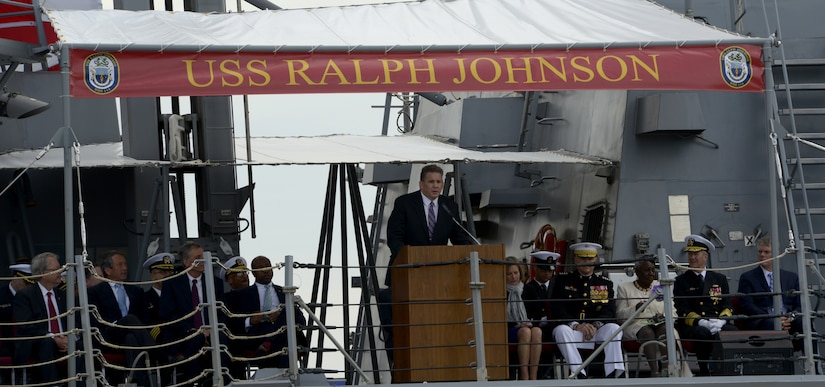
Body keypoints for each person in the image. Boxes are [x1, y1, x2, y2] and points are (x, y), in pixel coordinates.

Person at [551, 242, 625, 379]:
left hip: (595, 331)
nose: (587, 262)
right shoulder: (563, 280)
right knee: (561, 330)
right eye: (583, 258)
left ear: (595, 259)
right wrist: (576, 325)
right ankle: (578, 373)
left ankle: (614, 372)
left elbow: (609, 311)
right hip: (572, 331)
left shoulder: (604, 283)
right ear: (575, 259)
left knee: (614, 328)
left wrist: (596, 324)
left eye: (590, 259)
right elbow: (557, 308)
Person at [159, 241, 229, 384]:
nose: (203, 259)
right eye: (198, 257)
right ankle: (190, 381)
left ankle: (223, 381)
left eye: (203, 255)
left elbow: (222, 312)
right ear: (186, 262)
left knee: (222, 337)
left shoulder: (215, 283)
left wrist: (211, 328)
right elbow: (168, 315)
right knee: (195, 338)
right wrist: (192, 330)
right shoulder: (171, 283)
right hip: (183, 333)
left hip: (211, 331)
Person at [386, 164, 473, 278]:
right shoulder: (404, 203)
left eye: (438, 182)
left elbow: (458, 237)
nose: (435, 186)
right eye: (431, 182)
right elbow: (394, 237)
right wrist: (408, 257)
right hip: (407, 270)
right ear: (421, 184)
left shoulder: (449, 206)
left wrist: (471, 253)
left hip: (439, 272)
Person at [87, 250, 154, 386]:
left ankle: (136, 381)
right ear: (108, 270)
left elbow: (145, 319)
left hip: (131, 338)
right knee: (129, 318)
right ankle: (157, 352)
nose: (124, 268)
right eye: (120, 265)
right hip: (108, 336)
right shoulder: (95, 292)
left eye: (125, 264)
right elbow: (94, 321)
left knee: (131, 338)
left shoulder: (136, 291)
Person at [673, 234, 737, 376]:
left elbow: (727, 304)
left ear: (705, 256)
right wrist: (702, 322)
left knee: (731, 329)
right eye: (690, 254)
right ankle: (705, 371)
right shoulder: (681, 281)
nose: (692, 258)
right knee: (702, 333)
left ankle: (730, 368)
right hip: (694, 325)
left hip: (717, 320)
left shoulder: (719, 279)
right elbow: (682, 308)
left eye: (695, 253)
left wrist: (721, 321)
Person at [229, 255, 307, 370]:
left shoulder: (284, 292)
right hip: (257, 335)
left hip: (281, 334)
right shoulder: (242, 294)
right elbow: (233, 322)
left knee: (285, 311)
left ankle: (268, 344)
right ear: (254, 272)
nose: (265, 270)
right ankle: (286, 376)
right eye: (260, 268)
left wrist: (280, 313)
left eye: (268, 267)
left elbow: (301, 321)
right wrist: (250, 320)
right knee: (287, 340)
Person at [738, 237, 814, 345]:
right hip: (764, 320)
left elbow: (800, 304)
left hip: (789, 320)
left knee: (805, 323)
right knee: (770, 324)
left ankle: (813, 361)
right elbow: (747, 305)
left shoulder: (791, 277)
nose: (762, 255)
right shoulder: (748, 277)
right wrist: (774, 319)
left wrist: (790, 318)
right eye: (760, 251)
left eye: (766, 252)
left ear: (777, 254)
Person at [12, 252, 68, 385]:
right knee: (47, 343)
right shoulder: (25, 296)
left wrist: (69, 337)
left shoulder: (63, 295)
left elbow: (74, 320)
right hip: (35, 343)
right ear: (42, 273)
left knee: (81, 344)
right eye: (55, 270)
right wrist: (53, 337)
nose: (60, 272)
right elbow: (26, 326)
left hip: (64, 340)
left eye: (61, 268)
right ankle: (53, 384)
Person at [616, 258, 675, 377]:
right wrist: (636, 308)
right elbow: (620, 315)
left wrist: (663, 316)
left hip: (659, 323)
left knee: (665, 329)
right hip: (636, 325)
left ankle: (666, 370)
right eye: (647, 270)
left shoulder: (661, 286)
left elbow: (673, 311)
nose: (651, 273)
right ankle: (654, 372)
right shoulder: (624, 288)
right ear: (637, 272)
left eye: (653, 270)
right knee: (647, 332)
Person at [505, 256, 542, 380]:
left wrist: (530, 323)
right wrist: (516, 325)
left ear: (520, 273)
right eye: (509, 274)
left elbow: (537, 314)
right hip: (509, 330)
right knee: (525, 332)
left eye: (515, 273)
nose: (513, 277)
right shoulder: (501, 292)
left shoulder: (529, 290)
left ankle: (533, 376)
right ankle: (524, 374)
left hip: (527, 327)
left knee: (537, 331)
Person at [0, 263, 34, 358]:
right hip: (6, 344)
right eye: (26, 282)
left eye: (31, 284)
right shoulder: (2, 296)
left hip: (29, 343)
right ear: (15, 278)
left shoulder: (34, 296)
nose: (28, 286)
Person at [143, 252, 176, 342]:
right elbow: (148, 325)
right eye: (163, 272)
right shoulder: (144, 299)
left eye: (170, 272)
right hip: (158, 341)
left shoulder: (178, 296)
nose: (167, 276)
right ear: (153, 276)